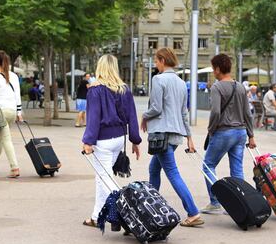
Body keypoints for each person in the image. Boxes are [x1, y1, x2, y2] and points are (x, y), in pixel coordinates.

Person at [141, 47, 204, 227]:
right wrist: (189, 136)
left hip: (162, 135)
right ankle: (153, 206)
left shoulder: (158, 79)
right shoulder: (181, 82)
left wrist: (144, 116)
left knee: (172, 172)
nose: (155, 64)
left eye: (156, 60)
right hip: (175, 136)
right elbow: (184, 113)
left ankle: (192, 212)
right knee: (154, 169)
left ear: (162, 60)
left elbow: (156, 108)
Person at [82, 54, 141, 227]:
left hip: (103, 141)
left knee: (106, 180)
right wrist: (135, 140)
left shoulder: (95, 90)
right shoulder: (124, 89)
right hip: (119, 139)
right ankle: (96, 216)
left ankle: (127, 214)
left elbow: (93, 118)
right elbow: (132, 117)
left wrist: (88, 141)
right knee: (101, 177)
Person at [201, 53, 256, 214]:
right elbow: (247, 113)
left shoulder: (217, 87)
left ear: (218, 69)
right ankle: (240, 202)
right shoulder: (240, 86)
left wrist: (211, 129)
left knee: (208, 166)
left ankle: (215, 201)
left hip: (224, 132)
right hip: (240, 133)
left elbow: (216, 112)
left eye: (213, 69)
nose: (213, 72)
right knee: (237, 169)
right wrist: (251, 135)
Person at [0, 50, 23, 178]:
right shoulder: (14, 76)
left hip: (1, 111)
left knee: (5, 139)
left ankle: (14, 168)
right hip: (12, 111)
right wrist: (19, 112)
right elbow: (17, 95)